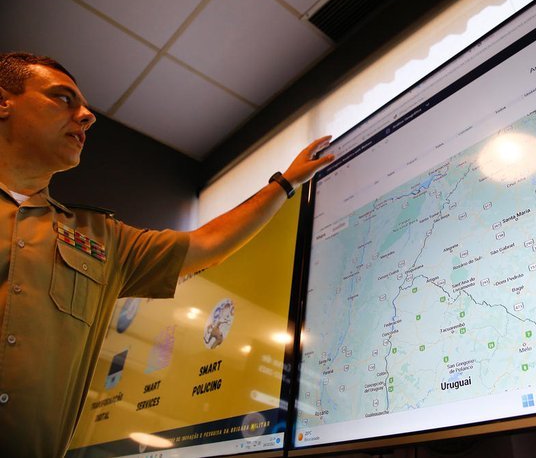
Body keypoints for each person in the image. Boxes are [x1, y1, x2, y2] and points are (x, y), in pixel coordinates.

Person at [0, 52, 333, 457]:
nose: (86, 116)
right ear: (4, 102)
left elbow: (206, 244)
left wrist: (284, 184)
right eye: (63, 98)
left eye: (85, 106)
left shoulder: (101, 238)